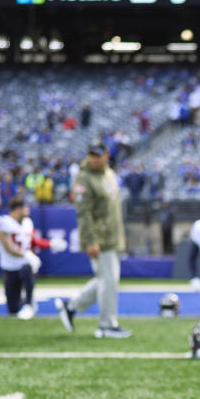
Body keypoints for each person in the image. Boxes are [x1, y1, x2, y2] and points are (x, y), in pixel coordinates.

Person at [54, 141, 131, 338]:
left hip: (112, 235)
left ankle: (71, 306)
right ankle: (107, 325)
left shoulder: (109, 173)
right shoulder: (84, 178)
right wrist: (90, 240)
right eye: (91, 155)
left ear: (106, 155)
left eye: (98, 155)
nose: (94, 159)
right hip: (99, 237)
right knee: (109, 280)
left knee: (106, 280)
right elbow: (84, 213)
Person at [0, 197, 57, 319]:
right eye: (26, 208)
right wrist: (27, 255)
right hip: (9, 267)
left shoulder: (28, 222)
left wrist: (51, 244)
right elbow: (9, 249)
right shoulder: (3, 222)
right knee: (13, 309)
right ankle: (24, 302)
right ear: (18, 209)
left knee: (27, 269)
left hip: (25, 265)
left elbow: (33, 241)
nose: (28, 211)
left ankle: (29, 303)